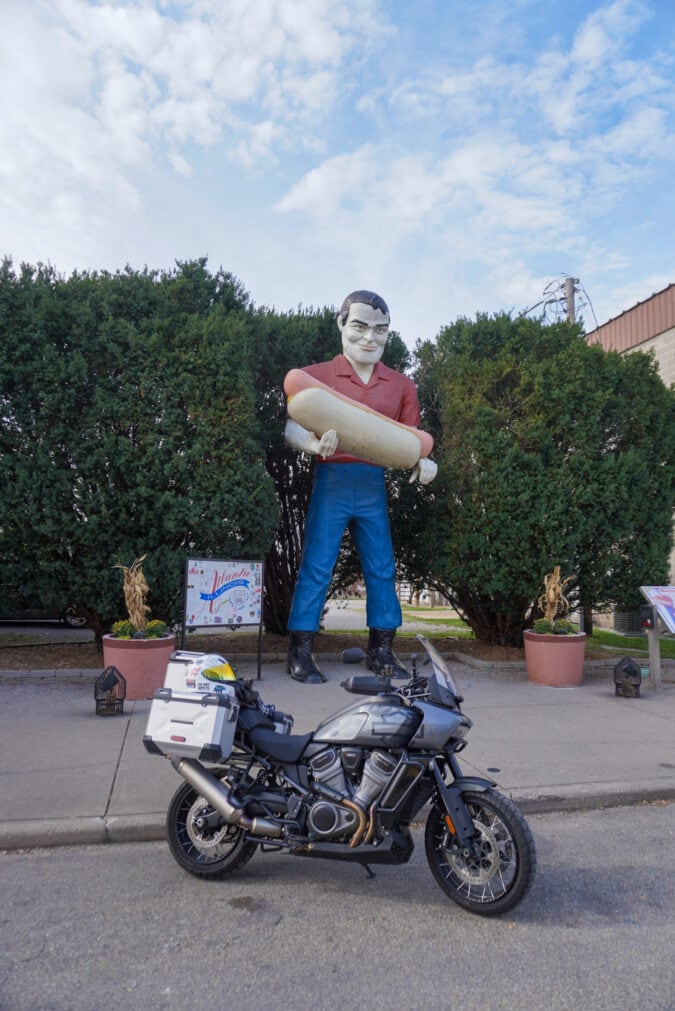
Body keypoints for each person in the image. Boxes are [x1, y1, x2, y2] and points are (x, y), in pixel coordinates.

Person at [284, 289, 437, 684]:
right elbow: (292, 425)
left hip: (372, 483)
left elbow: (410, 437)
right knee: (317, 565)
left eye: (380, 330)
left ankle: (382, 650)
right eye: (360, 326)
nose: (370, 338)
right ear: (341, 324)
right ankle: (299, 651)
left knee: (382, 567)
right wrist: (314, 444)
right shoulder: (316, 375)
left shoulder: (401, 385)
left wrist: (423, 461)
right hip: (332, 478)